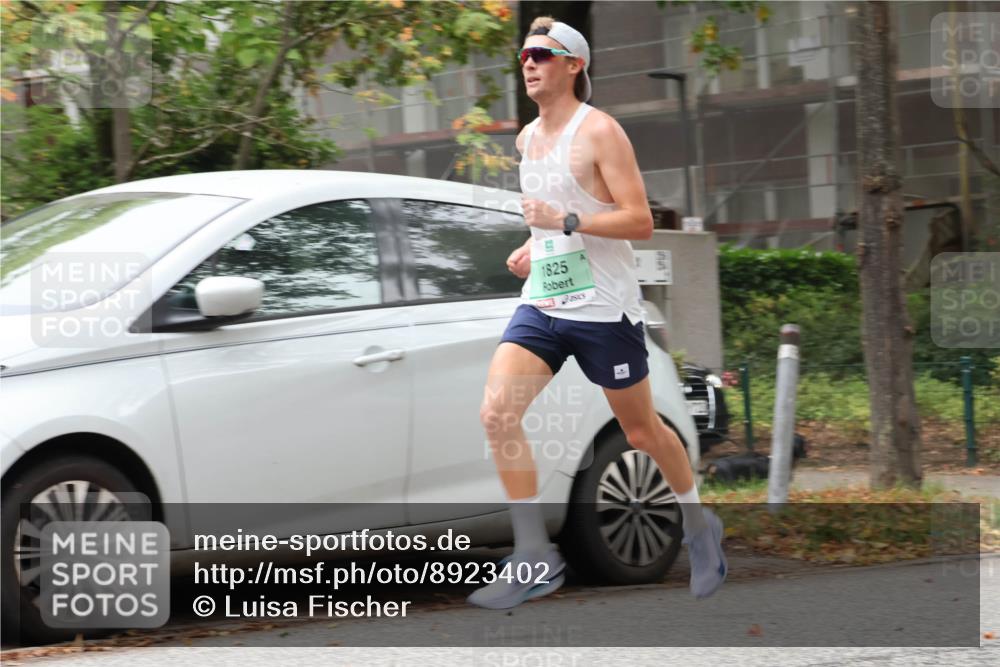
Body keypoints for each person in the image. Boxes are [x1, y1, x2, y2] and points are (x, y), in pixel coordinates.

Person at [467, 16, 727, 610]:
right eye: (524, 55)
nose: (528, 63)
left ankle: (697, 524)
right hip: (544, 303)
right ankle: (534, 556)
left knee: (641, 432)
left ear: (574, 65)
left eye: (541, 54)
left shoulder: (602, 132)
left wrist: (565, 224)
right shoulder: (527, 139)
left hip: (603, 308)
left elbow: (640, 220)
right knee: (496, 414)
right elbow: (553, 216)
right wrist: (534, 247)